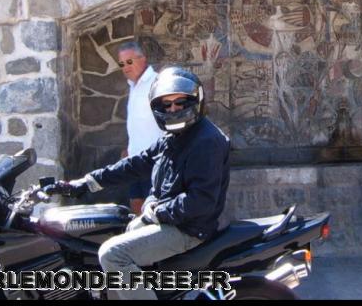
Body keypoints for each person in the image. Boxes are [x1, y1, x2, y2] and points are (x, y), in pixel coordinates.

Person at [50, 66, 231, 300]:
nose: (174, 109)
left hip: (188, 229)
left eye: (180, 102)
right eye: (167, 104)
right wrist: (86, 182)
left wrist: (156, 212)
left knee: (112, 254)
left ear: (196, 101)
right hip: (171, 220)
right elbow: (137, 163)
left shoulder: (206, 141)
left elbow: (200, 201)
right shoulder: (175, 137)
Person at [115, 41, 161, 215]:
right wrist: (129, 146)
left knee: (152, 210)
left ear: (143, 59)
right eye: (121, 64)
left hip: (154, 161)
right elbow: (138, 121)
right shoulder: (133, 86)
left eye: (129, 62)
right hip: (135, 161)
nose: (125, 67)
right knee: (136, 206)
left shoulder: (156, 83)